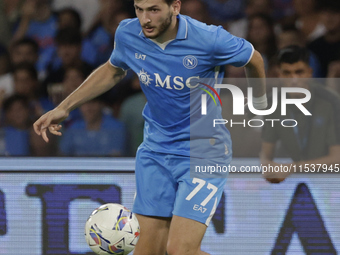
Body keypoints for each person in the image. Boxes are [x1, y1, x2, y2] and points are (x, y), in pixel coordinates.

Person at [33, 0, 266, 254]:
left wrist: (259, 101)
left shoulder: (209, 38)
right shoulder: (128, 33)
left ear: (175, 7)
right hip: (155, 151)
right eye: (139, 9)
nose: (145, 18)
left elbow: (254, 59)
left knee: (180, 250)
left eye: (153, 9)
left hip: (203, 151)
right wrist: (65, 107)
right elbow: (113, 69)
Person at [260, 45, 340, 183]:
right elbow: (266, 152)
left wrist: (291, 168)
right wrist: (267, 166)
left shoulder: (331, 101)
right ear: (279, 75)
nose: (294, 79)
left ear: (310, 73)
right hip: (293, 181)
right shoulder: (272, 103)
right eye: (287, 73)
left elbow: (337, 159)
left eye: (299, 72)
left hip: (331, 181)